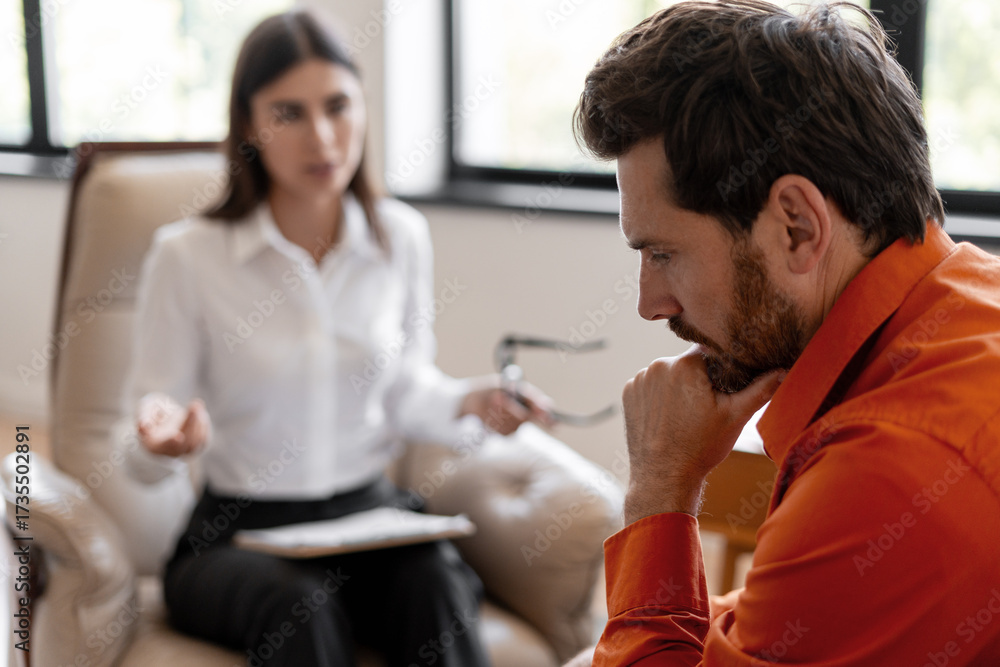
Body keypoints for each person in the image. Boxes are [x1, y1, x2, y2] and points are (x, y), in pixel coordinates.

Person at [567, 1, 1000, 664]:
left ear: (797, 226)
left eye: (661, 253)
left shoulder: (888, 472)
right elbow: (786, 618)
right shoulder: (969, 307)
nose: (650, 305)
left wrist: (659, 486)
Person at [122, 10, 550, 666]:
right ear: (247, 124)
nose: (322, 136)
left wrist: (471, 401)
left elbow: (405, 386)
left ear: (363, 108)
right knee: (302, 605)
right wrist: (159, 441)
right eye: (288, 113)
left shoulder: (398, 237)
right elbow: (147, 432)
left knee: (436, 582)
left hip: (367, 520)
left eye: (338, 106)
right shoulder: (187, 257)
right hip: (238, 533)